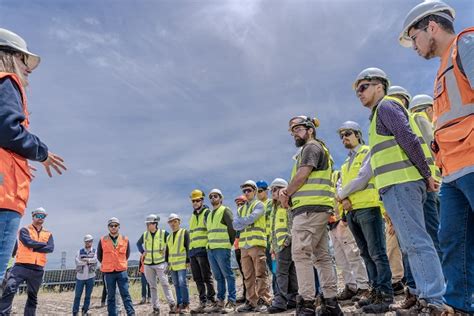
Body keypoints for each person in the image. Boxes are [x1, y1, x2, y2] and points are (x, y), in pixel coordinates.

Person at [354, 67, 449, 314]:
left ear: (379, 86)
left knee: (416, 243)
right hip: (401, 184)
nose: (360, 93)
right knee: (415, 243)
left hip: (402, 183)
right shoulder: (380, 113)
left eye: (363, 87)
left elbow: (408, 138)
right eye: (357, 91)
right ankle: (425, 297)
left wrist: (427, 174)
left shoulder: (386, 106)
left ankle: (432, 301)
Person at [400, 2, 474, 311]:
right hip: (453, 172)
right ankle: (460, 306)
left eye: (414, 38)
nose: (414, 47)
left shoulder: (466, 46)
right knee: (452, 242)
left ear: (431, 26)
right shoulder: (443, 68)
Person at [0, 28, 66, 287]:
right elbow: (8, 129)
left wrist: (19, 161)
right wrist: (41, 152)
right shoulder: (6, 81)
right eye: (24, 59)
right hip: (4, 198)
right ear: (7, 56)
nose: (29, 68)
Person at [279, 115, 342, 316]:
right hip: (319, 209)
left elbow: (303, 174)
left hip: (309, 210)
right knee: (322, 256)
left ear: (310, 129)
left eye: (298, 129)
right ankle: (331, 303)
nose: (294, 134)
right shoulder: (318, 149)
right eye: (292, 131)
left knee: (301, 254)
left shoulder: (311, 148)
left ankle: (306, 304)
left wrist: (286, 192)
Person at [335, 120, 394, 311]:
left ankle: (385, 294)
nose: (344, 138)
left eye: (348, 133)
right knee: (365, 253)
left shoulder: (367, 152)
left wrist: (342, 194)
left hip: (369, 208)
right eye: (342, 135)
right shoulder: (344, 164)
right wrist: (342, 198)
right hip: (352, 211)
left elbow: (363, 178)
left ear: (358, 134)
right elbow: (339, 184)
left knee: (377, 252)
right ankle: (375, 290)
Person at [0, 207, 54, 316]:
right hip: (21, 266)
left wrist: (33, 247)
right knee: (9, 289)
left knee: (32, 296)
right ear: (33, 216)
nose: (40, 218)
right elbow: (27, 242)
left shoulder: (48, 234)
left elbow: (50, 248)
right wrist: (41, 245)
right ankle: (3, 313)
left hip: (38, 269)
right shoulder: (25, 230)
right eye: (38, 215)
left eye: (42, 216)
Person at [329, 168, 369, 302]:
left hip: (342, 221)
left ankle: (363, 285)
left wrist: (345, 219)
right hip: (331, 225)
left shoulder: (338, 175)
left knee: (352, 254)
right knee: (341, 259)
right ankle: (351, 286)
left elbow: (344, 193)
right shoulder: (323, 182)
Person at [233, 180, 271, 313]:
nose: (246, 193)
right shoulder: (241, 208)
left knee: (260, 274)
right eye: (244, 191)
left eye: (249, 190)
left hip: (257, 244)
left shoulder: (259, 204)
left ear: (254, 191)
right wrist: (246, 221)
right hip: (244, 246)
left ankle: (264, 300)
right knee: (248, 276)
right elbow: (235, 225)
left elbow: (250, 219)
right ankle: (251, 301)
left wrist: (243, 221)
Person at [266, 178, 298, 314]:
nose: (272, 192)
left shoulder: (287, 205)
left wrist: (287, 240)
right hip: (278, 246)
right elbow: (273, 229)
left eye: (275, 189)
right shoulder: (274, 208)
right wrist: (273, 246)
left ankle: (280, 301)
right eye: (271, 190)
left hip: (286, 244)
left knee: (281, 272)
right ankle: (293, 299)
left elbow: (292, 224)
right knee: (290, 272)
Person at [203, 189, 237, 314]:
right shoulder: (210, 214)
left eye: (215, 196)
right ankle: (220, 301)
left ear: (221, 198)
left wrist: (229, 244)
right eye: (211, 196)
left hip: (222, 248)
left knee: (228, 275)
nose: (213, 198)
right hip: (211, 249)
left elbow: (232, 229)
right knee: (218, 276)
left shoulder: (225, 211)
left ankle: (232, 301)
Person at [136, 214, 175, 314]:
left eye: (148, 224)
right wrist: (142, 251)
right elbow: (138, 244)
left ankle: (172, 305)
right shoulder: (145, 234)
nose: (147, 226)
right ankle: (156, 309)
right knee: (152, 287)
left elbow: (171, 243)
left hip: (161, 264)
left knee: (165, 284)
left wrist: (167, 255)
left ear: (154, 224)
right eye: (147, 224)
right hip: (148, 264)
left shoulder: (163, 233)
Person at [97, 217, 135, 316]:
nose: (113, 227)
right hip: (109, 273)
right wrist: (108, 263)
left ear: (119, 227)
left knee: (125, 295)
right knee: (111, 297)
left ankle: (131, 314)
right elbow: (99, 256)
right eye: (111, 226)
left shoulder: (125, 239)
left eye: (115, 225)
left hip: (121, 271)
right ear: (108, 227)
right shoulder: (102, 240)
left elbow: (127, 254)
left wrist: (119, 262)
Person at [188, 189, 216, 313]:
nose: (195, 202)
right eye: (193, 200)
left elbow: (210, 231)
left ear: (202, 200)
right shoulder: (193, 216)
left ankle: (211, 300)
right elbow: (192, 234)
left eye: (197, 200)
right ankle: (202, 301)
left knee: (206, 277)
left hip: (203, 250)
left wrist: (208, 247)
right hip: (193, 252)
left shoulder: (206, 213)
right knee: (197, 278)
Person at [256, 180, 279, 297]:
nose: (258, 193)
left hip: (271, 239)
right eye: (256, 191)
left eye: (260, 191)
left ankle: (278, 293)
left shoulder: (271, 203)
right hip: (261, 241)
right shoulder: (255, 206)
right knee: (265, 270)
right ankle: (270, 295)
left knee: (275, 268)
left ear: (266, 191)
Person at [167, 213, 190, 314]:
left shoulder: (184, 232)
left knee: (182, 283)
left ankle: (186, 304)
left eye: (175, 221)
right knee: (176, 284)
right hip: (172, 265)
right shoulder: (169, 237)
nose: (173, 224)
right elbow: (167, 251)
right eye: (171, 222)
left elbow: (188, 247)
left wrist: (188, 260)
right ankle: (179, 304)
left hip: (181, 263)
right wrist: (167, 263)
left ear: (179, 222)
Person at [73, 234, 97, 316]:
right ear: (84, 242)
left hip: (91, 276)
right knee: (77, 296)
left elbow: (95, 260)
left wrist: (85, 260)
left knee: (88, 295)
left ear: (92, 242)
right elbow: (77, 262)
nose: (88, 243)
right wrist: (88, 261)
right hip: (80, 277)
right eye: (87, 241)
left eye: (90, 241)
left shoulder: (95, 251)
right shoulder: (79, 251)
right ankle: (75, 312)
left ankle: (85, 311)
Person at [233, 195, 247, 303]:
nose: (239, 206)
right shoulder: (237, 218)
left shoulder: (247, 217)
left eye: (241, 204)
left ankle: (250, 295)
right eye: (238, 204)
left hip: (246, 247)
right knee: (243, 273)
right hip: (238, 248)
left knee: (249, 272)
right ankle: (245, 294)